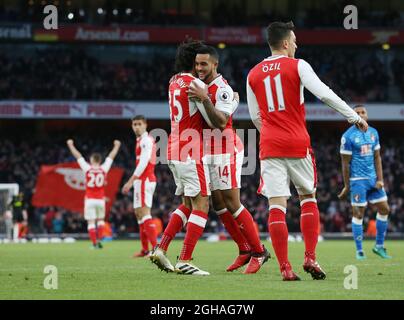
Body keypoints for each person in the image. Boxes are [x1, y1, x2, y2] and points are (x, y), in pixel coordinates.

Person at [246, 21, 368, 280]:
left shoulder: (253, 73)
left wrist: (270, 130)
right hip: (297, 142)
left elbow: (255, 116)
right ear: (287, 43)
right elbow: (324, 94)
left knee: (276, 206)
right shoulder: (298, 65)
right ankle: (310, 257)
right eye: (295, 41)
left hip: (269, 144)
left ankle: (285, 269)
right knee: (308, 198)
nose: (297, 45)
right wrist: (352, 117)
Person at [188, 45, 270, 274]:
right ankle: (244, 249)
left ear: (215, 64)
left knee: (232, 202)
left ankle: (259, 251)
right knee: (217, 203)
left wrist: (205, 100)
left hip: (226, 150)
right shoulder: (202, 87)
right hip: (208, 150)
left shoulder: (222, 89)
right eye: (197, 64)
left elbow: (221, 122)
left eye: (204, 64)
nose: (199, 68)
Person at [150, 39, 214, 275]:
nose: (201, 66)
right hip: (191, 148)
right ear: (194, 62)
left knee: (187, 204)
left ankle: (161, 248)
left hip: (173, 146)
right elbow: (212, 120)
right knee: (202, 203)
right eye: (199, 61)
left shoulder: (173, 81)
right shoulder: (196, 84)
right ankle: (185, 259)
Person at [338, 105, 391, 260]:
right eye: (357, 113)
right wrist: (347, 185)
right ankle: (359, 251)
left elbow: (377, 157)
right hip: (357, 181)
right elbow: (345, 164)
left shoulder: (374, 133)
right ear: (352, 116)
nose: (361, 114)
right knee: (358, 213)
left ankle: (379, 246)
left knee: (385, 209)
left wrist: (380, 179)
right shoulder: (347, 137)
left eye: (363, 112)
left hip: (373, 180)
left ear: (367, 115)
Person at [67, 139, 121, 249]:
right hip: (100, 200)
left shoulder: (87, 168)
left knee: (91, 222)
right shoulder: (104, 168)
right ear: (100, 160)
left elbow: (78, 156)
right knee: (100, 221)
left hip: (90, 199)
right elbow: (111, 156)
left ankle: (94, 243)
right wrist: (116, 146)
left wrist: (71, 145)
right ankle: (100, 240)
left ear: (92, 160)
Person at [122, 115, 158, 258]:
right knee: (139, 214)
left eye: (139, 124)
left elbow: (144, 163)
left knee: (145, 213)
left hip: (145, 180)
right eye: (134, 124)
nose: (136, 126)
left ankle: (156, 249)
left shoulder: (146, 141)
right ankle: (145, 250)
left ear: (145, 125)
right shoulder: (140, 141)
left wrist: (130, 181)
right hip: (140, 181)